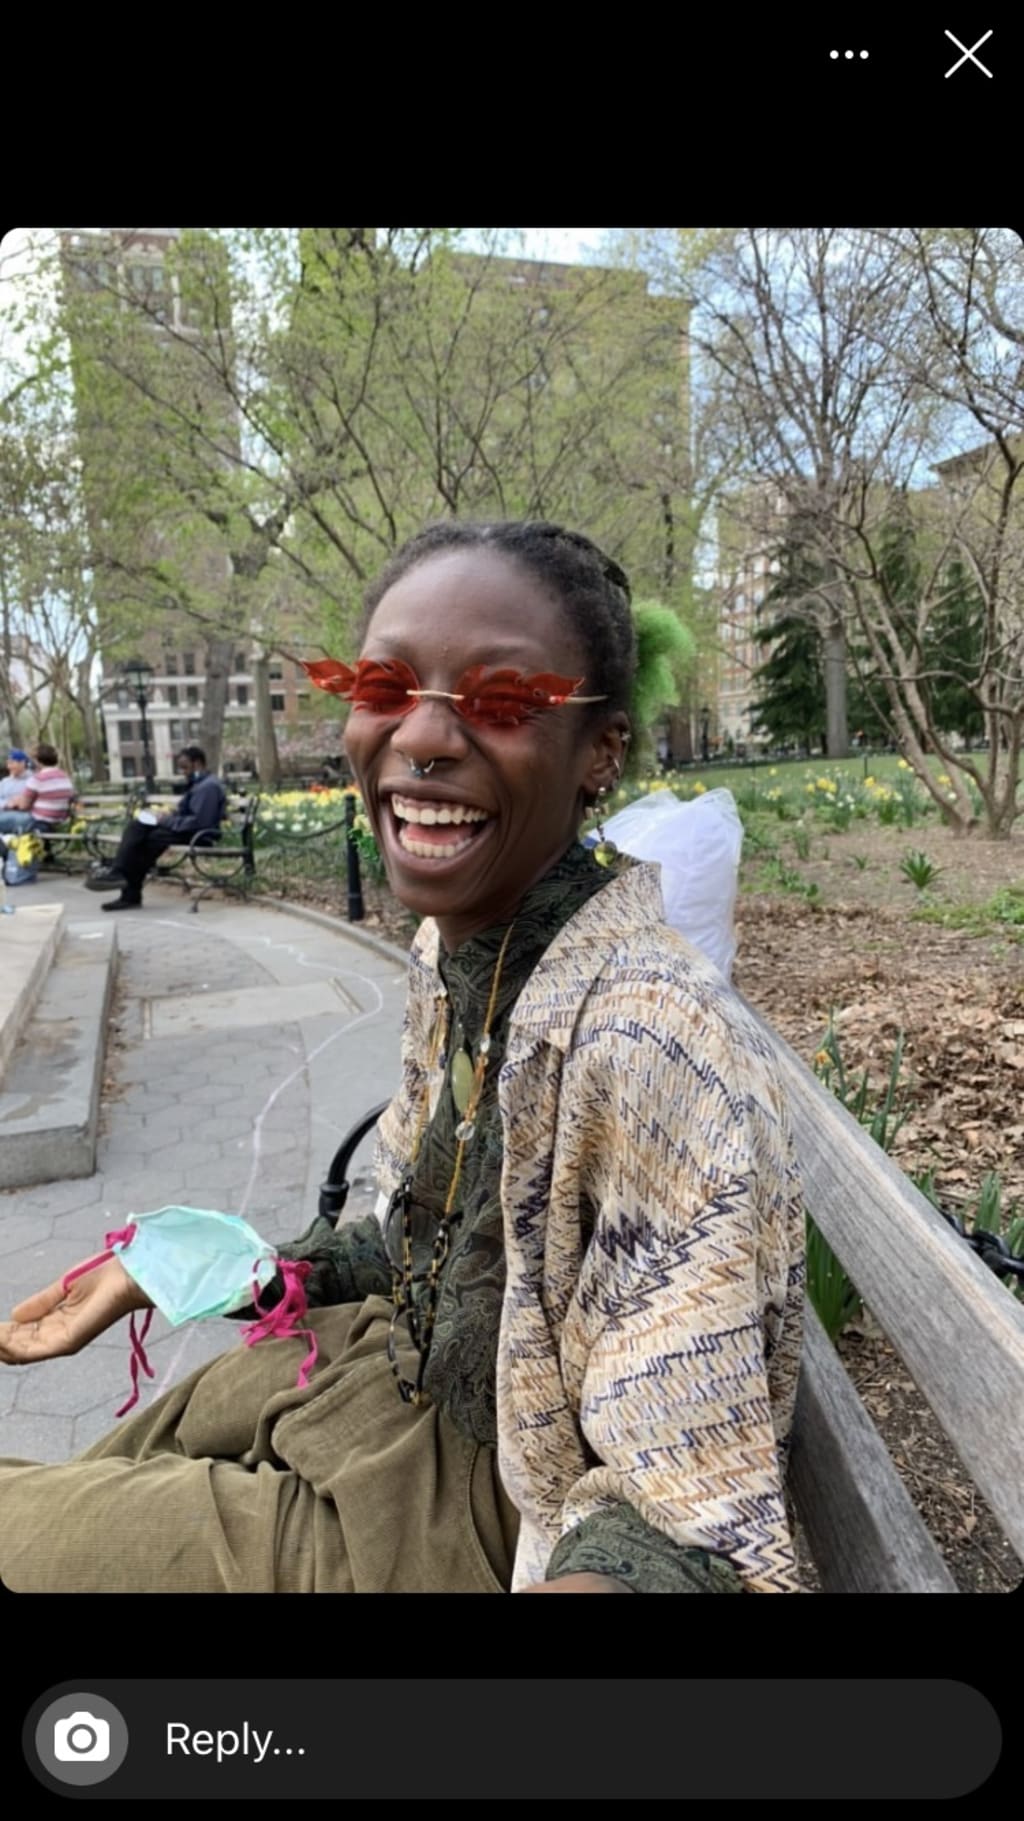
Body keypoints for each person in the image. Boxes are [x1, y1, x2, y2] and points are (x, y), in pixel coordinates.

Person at [0, 522, 804, 1595]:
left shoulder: (649, 1040)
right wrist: (186, 1272)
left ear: (601, 752)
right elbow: (424, 1249)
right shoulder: (464, 954)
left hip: (483, 1516)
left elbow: (692, 1528)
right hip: (383, 1391)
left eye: (502, 700)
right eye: (384, 686)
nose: (421, 736)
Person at [85, 745, 226, 911]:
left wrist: (165, 821)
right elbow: (183, 812)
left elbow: (199, 822)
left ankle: (127, 889)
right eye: (181, 768)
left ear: (198, 764)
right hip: (183, 829)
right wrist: (163, 815)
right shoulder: (198, 784)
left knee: (150, 839)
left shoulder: (208, 787)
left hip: (199, 834)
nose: (183, 772)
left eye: (185, 767)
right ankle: (120, 875)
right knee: (138, 824)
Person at [0, 741, 75, 835]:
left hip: (39, 822)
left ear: (38, 761)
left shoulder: (37, 779)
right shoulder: (65, 777)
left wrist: (16, 802)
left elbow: (23, 806)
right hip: (59, 820)